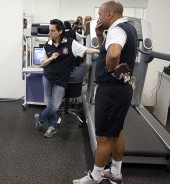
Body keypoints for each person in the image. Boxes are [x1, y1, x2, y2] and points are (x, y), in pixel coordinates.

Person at [73, 1, 137, 184]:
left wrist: (110, 69)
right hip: (120, 90)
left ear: (109, 14)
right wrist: (100, 36)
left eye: (100, 14)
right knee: (116, 132)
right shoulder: (127, 28)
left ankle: (95, 177)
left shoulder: (117, 30)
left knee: (103, 137)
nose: (98, 18)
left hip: (111, 91)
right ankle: (115, 173)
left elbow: (114, 53)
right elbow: (106, 51)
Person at [34, 19, 99, 138]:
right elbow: (42, 63)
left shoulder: (70, 43)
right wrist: (51, 58)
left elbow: (85, 50)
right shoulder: (47, 45)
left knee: (54, 106)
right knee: (49, 103)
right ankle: (53, 126)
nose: (50, 33)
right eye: (49, 30)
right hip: (48, 77)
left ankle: (41, 119)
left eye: (52, 31)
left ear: (60, 31)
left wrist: (99, 51)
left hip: (61, 80)